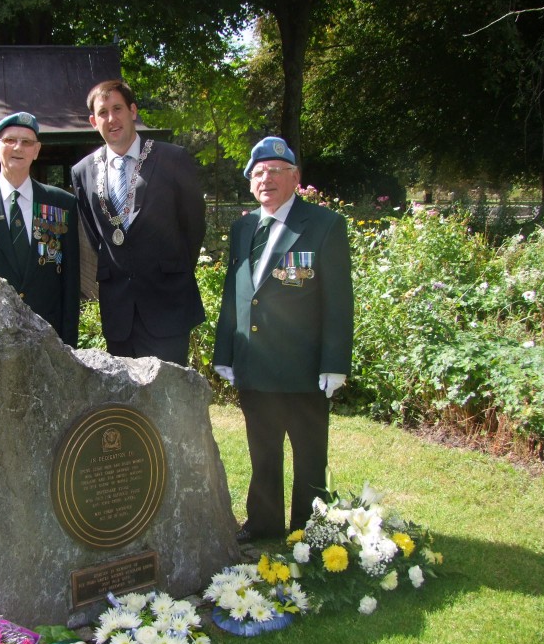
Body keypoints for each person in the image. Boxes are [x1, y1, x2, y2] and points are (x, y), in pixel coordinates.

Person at [213, 136, 354, 542]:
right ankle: (264, 522)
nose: (266, 179)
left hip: (303, 366)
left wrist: (334, 363)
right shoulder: (243, 227)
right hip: (254, 363)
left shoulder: (324, 224)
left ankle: (309, 530)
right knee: (263, 453)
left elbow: (338, 300)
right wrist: (226, 349)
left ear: (296, 178)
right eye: (258, 173)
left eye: (275, 171)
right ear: (250, 184)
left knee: (310, 454)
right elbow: (235, 292)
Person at [71, 79, 206, 366]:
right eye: (103, 112)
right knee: (127, 407)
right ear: (94, 121)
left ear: (133, 111)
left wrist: (169, 270)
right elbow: (97, 237)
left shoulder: (172, 158)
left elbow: (194, 226)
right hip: (119, 311)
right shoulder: (82, 171)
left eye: (117, 108)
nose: (112, 118)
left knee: (170, 402)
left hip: (167, 304)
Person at [0, 111, 80, 347]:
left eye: (27, 142)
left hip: (48, 342)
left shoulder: (61, 204)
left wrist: (69, 345)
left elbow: (70, 285)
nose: (18, 148)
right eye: (10, 140)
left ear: (36, 150)